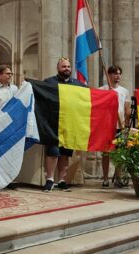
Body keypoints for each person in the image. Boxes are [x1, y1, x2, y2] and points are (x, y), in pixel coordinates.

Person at [42, 57, 85, 192]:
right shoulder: (49, 82)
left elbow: (89, 97)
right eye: (63, 67)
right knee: (53, 152)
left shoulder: (78, 84)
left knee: (65, 154)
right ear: (58, 68)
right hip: (53, 123)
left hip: (70, 124)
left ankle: (62, 180)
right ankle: (49, 180)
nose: (66, 69)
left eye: (68, 66)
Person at [98, 65, 131, 188]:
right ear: (110, 75)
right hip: (107, 125)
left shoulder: (124, 91)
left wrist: (126, 125)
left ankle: (118, 177)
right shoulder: (102, 89)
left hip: (120, 125)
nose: (118, 76)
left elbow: (127, 108)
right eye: (115, 74)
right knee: (106, 152)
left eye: (119, 73)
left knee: (119, 152)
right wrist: (107, 95)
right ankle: (105, 178)